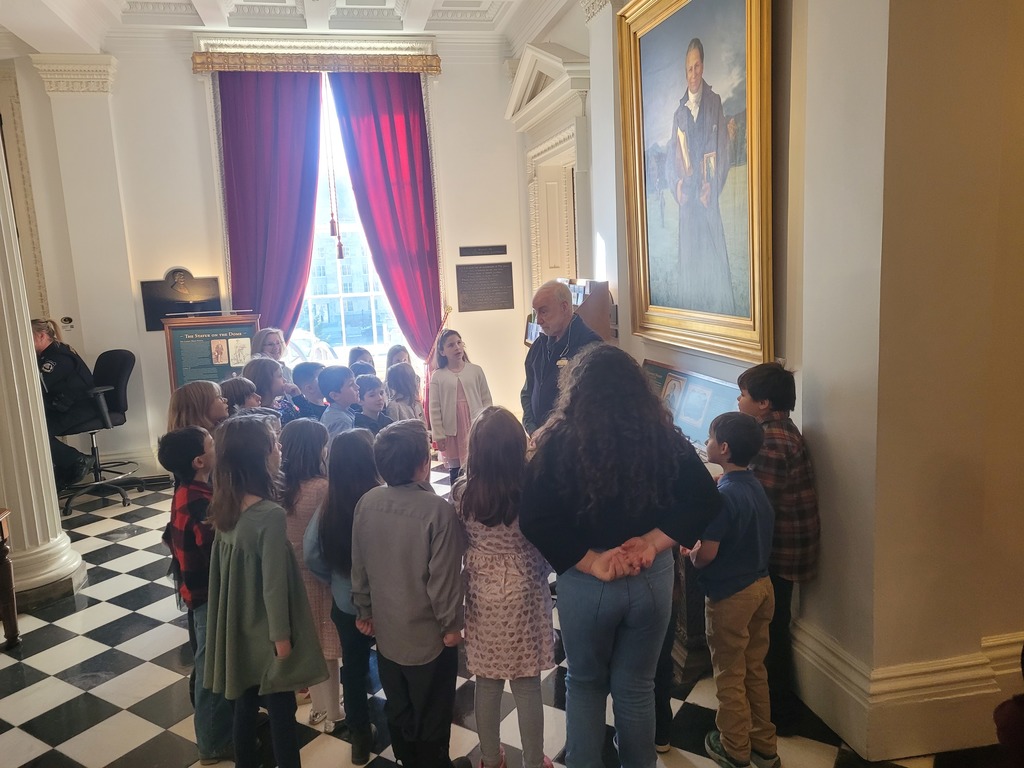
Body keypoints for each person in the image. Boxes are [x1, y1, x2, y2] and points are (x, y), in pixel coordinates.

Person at [520, 344, 721, 768]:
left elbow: (534, 517)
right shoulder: (661, 437)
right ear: (636, 388)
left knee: (587, 685)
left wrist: (593, 561)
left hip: (587, 583)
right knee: (636, 688)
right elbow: (704, 496)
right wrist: (652, 542)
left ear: (576, 391)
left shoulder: (557, 443)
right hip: (651, 579)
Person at [204, 415, 329, 768]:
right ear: (258, 458)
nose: (280, 449)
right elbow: (274, 584)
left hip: (238, 632)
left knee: (243, 709)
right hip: (268, 636)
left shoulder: (225, 509)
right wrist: (283, 639)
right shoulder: (270, 516)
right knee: (282, 715)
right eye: (273, 443)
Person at [350, 420, 470, 768]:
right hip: (429, 637)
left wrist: (363, 608)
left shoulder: (367, 502)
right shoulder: (438, 511)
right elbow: (444, 579)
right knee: (433, 710)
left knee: (399, 705)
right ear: (422, 465)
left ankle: (407, 760)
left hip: (386, 631)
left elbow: (359, 563)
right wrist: (452, 625)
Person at [452, 407, 555, 768]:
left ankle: (489, 758)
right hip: (525, 589)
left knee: (488, 681)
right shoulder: (530, 489)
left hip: (482, 592)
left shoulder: (463, 492)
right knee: (527, 683)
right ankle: (531, 760)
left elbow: (461, 540)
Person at [684, 412, 779, 768]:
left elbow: (706, 555)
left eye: (709, 438)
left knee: (729, 673)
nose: (706, 444)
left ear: (723, 449)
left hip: (731, 596)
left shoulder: (721, 497)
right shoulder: (755, 486)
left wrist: (690, 552)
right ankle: (764, 745)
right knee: (755, 667)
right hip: (762, 587)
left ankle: (735, 747)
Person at [737, 362, 819, 733]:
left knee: (772, 627)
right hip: (788, 544)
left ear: (764, 403)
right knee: (772, 623)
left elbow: (758, 501)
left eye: (744, 395)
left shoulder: (770, 440)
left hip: (782, 550)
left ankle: (778, 711)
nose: (739, 400)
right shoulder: (778, 430)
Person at [304, 429, 382, 765]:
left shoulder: (329, 506)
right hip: (387, 604)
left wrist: (336, 582)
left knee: (352, 669)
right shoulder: (382, 500)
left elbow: (312, 554)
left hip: (346, 603)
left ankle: (359, 736)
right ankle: (404, 725)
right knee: (394, 667)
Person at [157, 427, 234, 765]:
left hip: (199, 593)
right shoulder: (199, 501)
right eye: (211, 443)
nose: (217, 445)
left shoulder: (193, 489)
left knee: (213, 666)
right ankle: (212, 745)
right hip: (206, 596)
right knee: (210, 671)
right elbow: (216, 552)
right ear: (200, 460)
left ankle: (219, 731)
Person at [279, 418, 342, 732]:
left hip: (289, 574)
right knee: (328, 646)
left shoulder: (277, 487)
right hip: (319, 573)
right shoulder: (323, 488)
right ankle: (334, 711)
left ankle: (318, 707)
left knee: (307, 644)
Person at [670, 37, 736, 315]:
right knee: (691, 268)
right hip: (689, 211)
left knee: (715, 264)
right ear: (685, 72)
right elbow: (671, 160)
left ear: (703, 67)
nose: (693, 73)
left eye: (697, 66)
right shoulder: (678, 114)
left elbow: (723, 148)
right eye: (689, 68)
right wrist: (678, 187)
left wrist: (714, 186)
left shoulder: (715, 103)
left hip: (708, 203)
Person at [520, 281, 601, 435]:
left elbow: (587, 408)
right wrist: (532, 429)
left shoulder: (590, 347)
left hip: (570, 444)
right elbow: (527, 391)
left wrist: (548, 433)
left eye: (543, 312)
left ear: (564, 307)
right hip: (539, 439)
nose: (538, 321)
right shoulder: (540, 344)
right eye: (536, 312)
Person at [32, 318, 96, 488]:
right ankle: (67, 468)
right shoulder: (53, 352)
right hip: (68, 406)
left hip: (80, 408)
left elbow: (38, 386)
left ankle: (77, 460)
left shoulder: (56, 359)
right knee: (33, 427)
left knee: (35, 432)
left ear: (41, 335)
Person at [429, 329, 492, 485]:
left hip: (474, 424)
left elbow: (486, 399)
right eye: (451, 345)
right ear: (442, 351)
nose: (457, 347)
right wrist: (439, 434)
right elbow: (434, 407)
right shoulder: (438, 376)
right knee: (456, 469)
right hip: (452, 429)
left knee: (477, 464)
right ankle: (457, 498)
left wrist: (488, 424)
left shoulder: (475, 370)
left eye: (459, 343)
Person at [242, 357, 298, 426]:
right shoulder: (257, 415)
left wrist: (298, 398)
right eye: (280, 376)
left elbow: (307, 424)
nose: (285, 380)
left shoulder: (284, 404)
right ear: (265, 381)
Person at [251, 327, 299, 392]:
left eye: (278, 343)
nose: (276, 347)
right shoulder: (254, 371)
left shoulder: (286, 370)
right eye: (270, 344)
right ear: (260, 347)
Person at [318, 365, 360, 437]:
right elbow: (339, 447)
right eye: (351, 384)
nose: (357, 387)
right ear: (335, 396)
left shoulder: (337, 411)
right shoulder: (341, 421)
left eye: (355, 382)